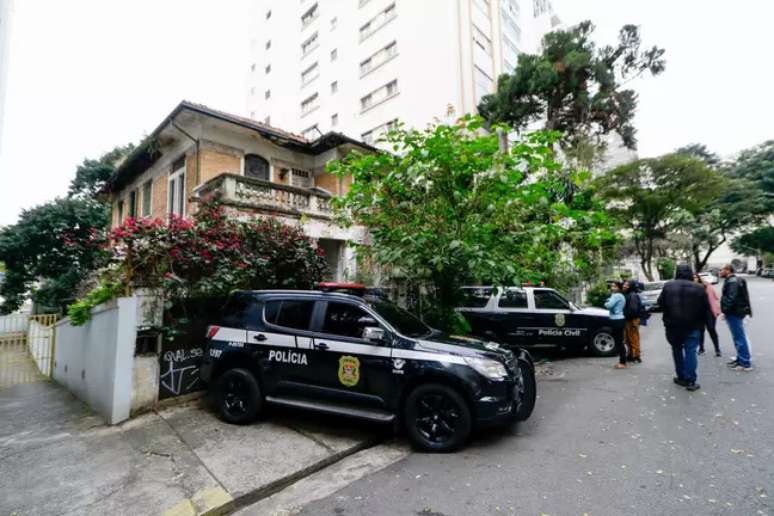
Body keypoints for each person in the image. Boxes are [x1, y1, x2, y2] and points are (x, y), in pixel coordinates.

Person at [657, 263, 710, 391]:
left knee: (676, 350)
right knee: (691, 351)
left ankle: (681, 376)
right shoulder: (699, 288)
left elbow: (660, 304)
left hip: (673, 326)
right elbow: (705, 308)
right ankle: (691, 380)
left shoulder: (668, 286)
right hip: (693, 325)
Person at [719, 264, 753, 371]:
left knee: (739, 338)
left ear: (728, 270)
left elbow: (731, 298)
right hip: (735, 312)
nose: (720, 272)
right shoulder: (732, 280)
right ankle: (740, 359)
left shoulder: (732, 281)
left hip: (734, 313)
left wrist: (724, 311)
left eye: (722, 270)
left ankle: (745, 363)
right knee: (737, 337)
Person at [693, 273, 721, 357]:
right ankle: (701, 349)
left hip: (709, 311)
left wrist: (717, 309)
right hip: (698, 313)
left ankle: (717, 349)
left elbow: (715, 297)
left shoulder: (707, 286)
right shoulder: (691, 288)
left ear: (699, 278)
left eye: (696, 277)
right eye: (693, 278)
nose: (694, 279)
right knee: (700, 331)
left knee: (711, 329)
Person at [604, 281, 627, 369]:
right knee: (619, 341)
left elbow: (608, 305)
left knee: (619, 342)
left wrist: (606, 302)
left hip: (616, 320)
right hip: (620, 319)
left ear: (619, 288)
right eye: (612, 286)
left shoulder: (616, 295)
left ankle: (622, 362)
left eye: (615, 286)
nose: (612, 288)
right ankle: (623, 361)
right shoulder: (621, 296)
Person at [622, 280, 642, 363]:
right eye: (624, 284)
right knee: (628, 338)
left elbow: (633, 310)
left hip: (632, 320)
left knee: (633, 338)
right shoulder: (628, 294)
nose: (624, 286)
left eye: (627, 285)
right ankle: (631, 355)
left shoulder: (632, 295)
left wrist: (626, 316)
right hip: (629, 319)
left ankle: (636, 356)